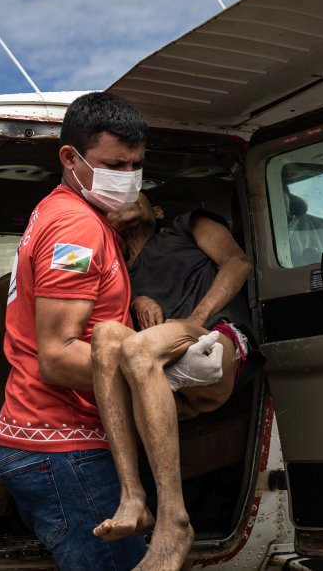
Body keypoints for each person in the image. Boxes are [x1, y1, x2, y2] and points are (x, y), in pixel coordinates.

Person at [0, 92, 223, 571]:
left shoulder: (65, 213)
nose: (128, 177)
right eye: (115, 164)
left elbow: (84, 314)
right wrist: (163, 378)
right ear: (70, 158)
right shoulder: (76, 228)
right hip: (63, 447)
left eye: (137, 164)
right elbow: (56, 356)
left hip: (53, 441)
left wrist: (136, 303)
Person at [89, 193, 253, 571]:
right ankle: (133, 498)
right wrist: (135, 301)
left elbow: (237, 264)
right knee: (106, 338)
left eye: (135, 193)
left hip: (216, 339)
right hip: (164, 361)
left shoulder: (185, 225)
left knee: (136, 350)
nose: (123, 199)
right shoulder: (117, 268)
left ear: (158, 210)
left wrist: (196, 322)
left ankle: (174, 521)